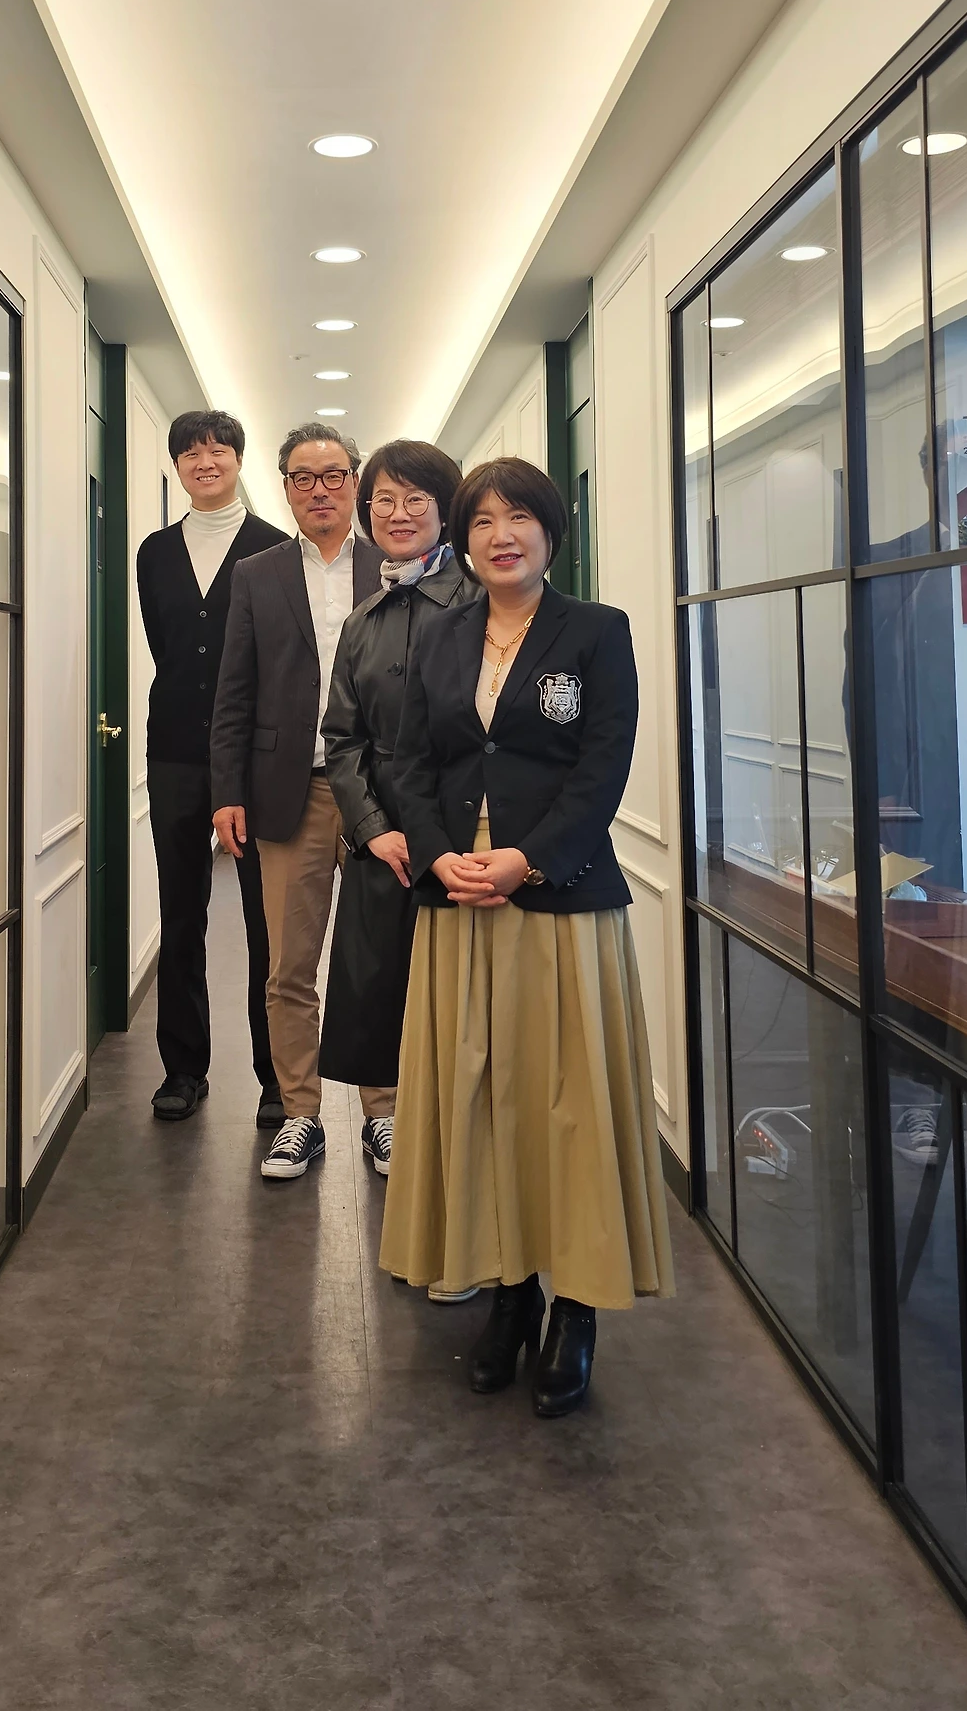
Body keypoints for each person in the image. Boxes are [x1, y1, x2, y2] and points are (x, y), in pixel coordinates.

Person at [382, 456, 673, 1417]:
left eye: (519, 517)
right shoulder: (440, 633)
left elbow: (603, 765)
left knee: (567, 1102)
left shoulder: (596, 631)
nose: (500, 535)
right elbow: (409, 762)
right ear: (462, 538)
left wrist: (529, 859)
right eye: (482, 520)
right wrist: (437, 854)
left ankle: (575, 1307)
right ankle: (509, 1292)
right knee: (481, 1096)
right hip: (460, 899)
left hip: (556, 898)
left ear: (551, 529)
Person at [211, 423, 384, 1178]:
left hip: (381, 793)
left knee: (379, 960)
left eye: (334, 474)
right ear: (284, 488)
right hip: (292, 790)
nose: (320, 489)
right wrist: (227, 790)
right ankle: (299, 1114)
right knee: (288, 966)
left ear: (356, 482)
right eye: (304, 477)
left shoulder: (394, 565)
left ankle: (385, 1112)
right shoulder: (257, 574)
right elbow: (233, 689)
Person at [320, 441, 475, 1217]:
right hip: (384, 846)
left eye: (416, 498)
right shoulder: (364, 620)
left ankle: (460, 1145)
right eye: (383, 499)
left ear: (446, 509)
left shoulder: (481, 601)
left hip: (467, 842)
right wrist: (374, 827)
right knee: (383, 997)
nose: (398, 513)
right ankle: (390, 1126)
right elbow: (341, 738)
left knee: (460, 1006)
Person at [136, 411, 287, 1126]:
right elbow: (165, 644)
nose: (205, 461)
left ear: (237, 461)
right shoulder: (155, 552)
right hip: (172, 750)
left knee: (264, 919)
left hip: (252, 757)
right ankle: (183, 1068)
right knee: (180, 910)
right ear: (177, 466)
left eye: (218, 450)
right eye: (191, 452)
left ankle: (276, 1077)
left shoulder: (274, 547)